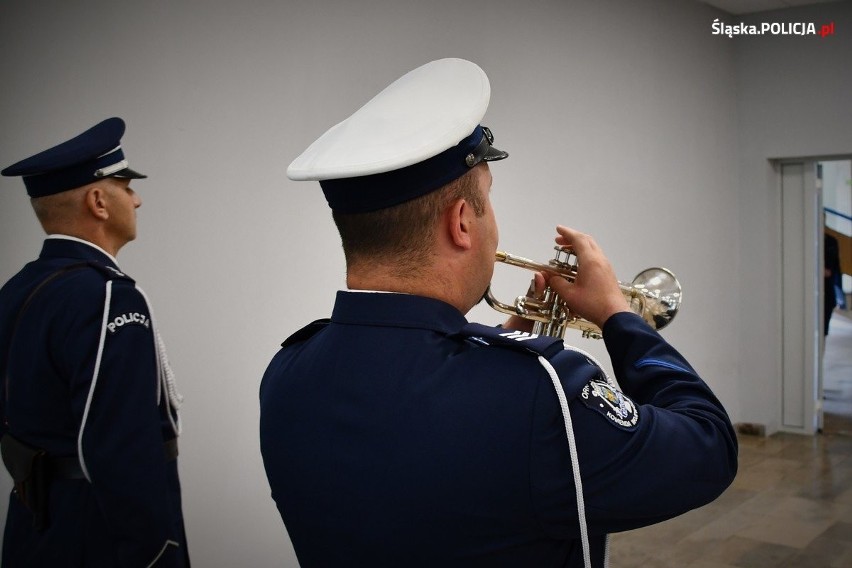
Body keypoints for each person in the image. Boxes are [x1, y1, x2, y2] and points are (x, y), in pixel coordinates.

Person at [259, 58, 737, 568]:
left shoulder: (286, 372)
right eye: (488, 200)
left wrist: (490, 349)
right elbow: (709, 448)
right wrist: (620, 316)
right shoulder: (543, 390)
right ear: (462, 221)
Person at [0, 118, 189, 567]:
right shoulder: (108, 295)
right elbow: (121, 445)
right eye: (126, 185)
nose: (137, 198)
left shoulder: (17, 289)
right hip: (98, 536)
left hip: (33, 526)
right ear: (98, 200)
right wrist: (154, 550)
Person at [824, 230, 842, 335]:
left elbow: (836, 268)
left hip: (828, 290)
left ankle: (821, 350)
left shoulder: (831, 241)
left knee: (824, 329)